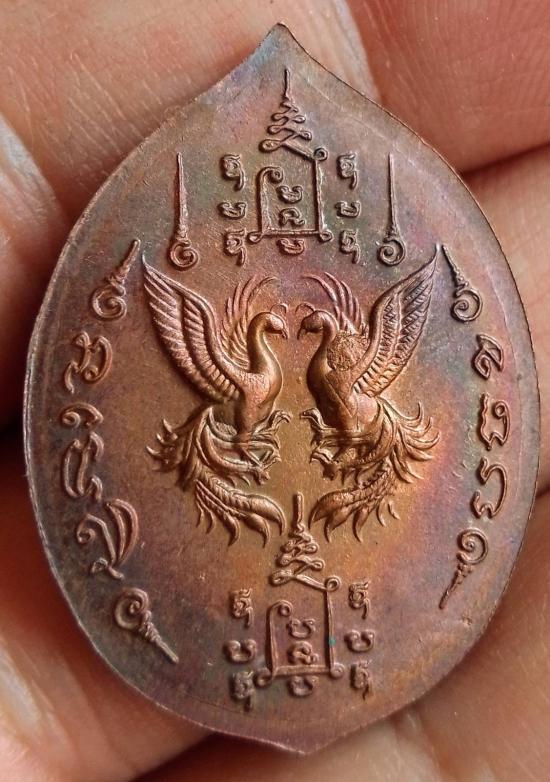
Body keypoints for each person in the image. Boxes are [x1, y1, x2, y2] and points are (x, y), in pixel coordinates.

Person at [1, 1, 549, 780]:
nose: (296, 333)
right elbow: (181, 315)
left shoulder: (350, 366)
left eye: (309, 327)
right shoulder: (244, 365)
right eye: (285, 326)